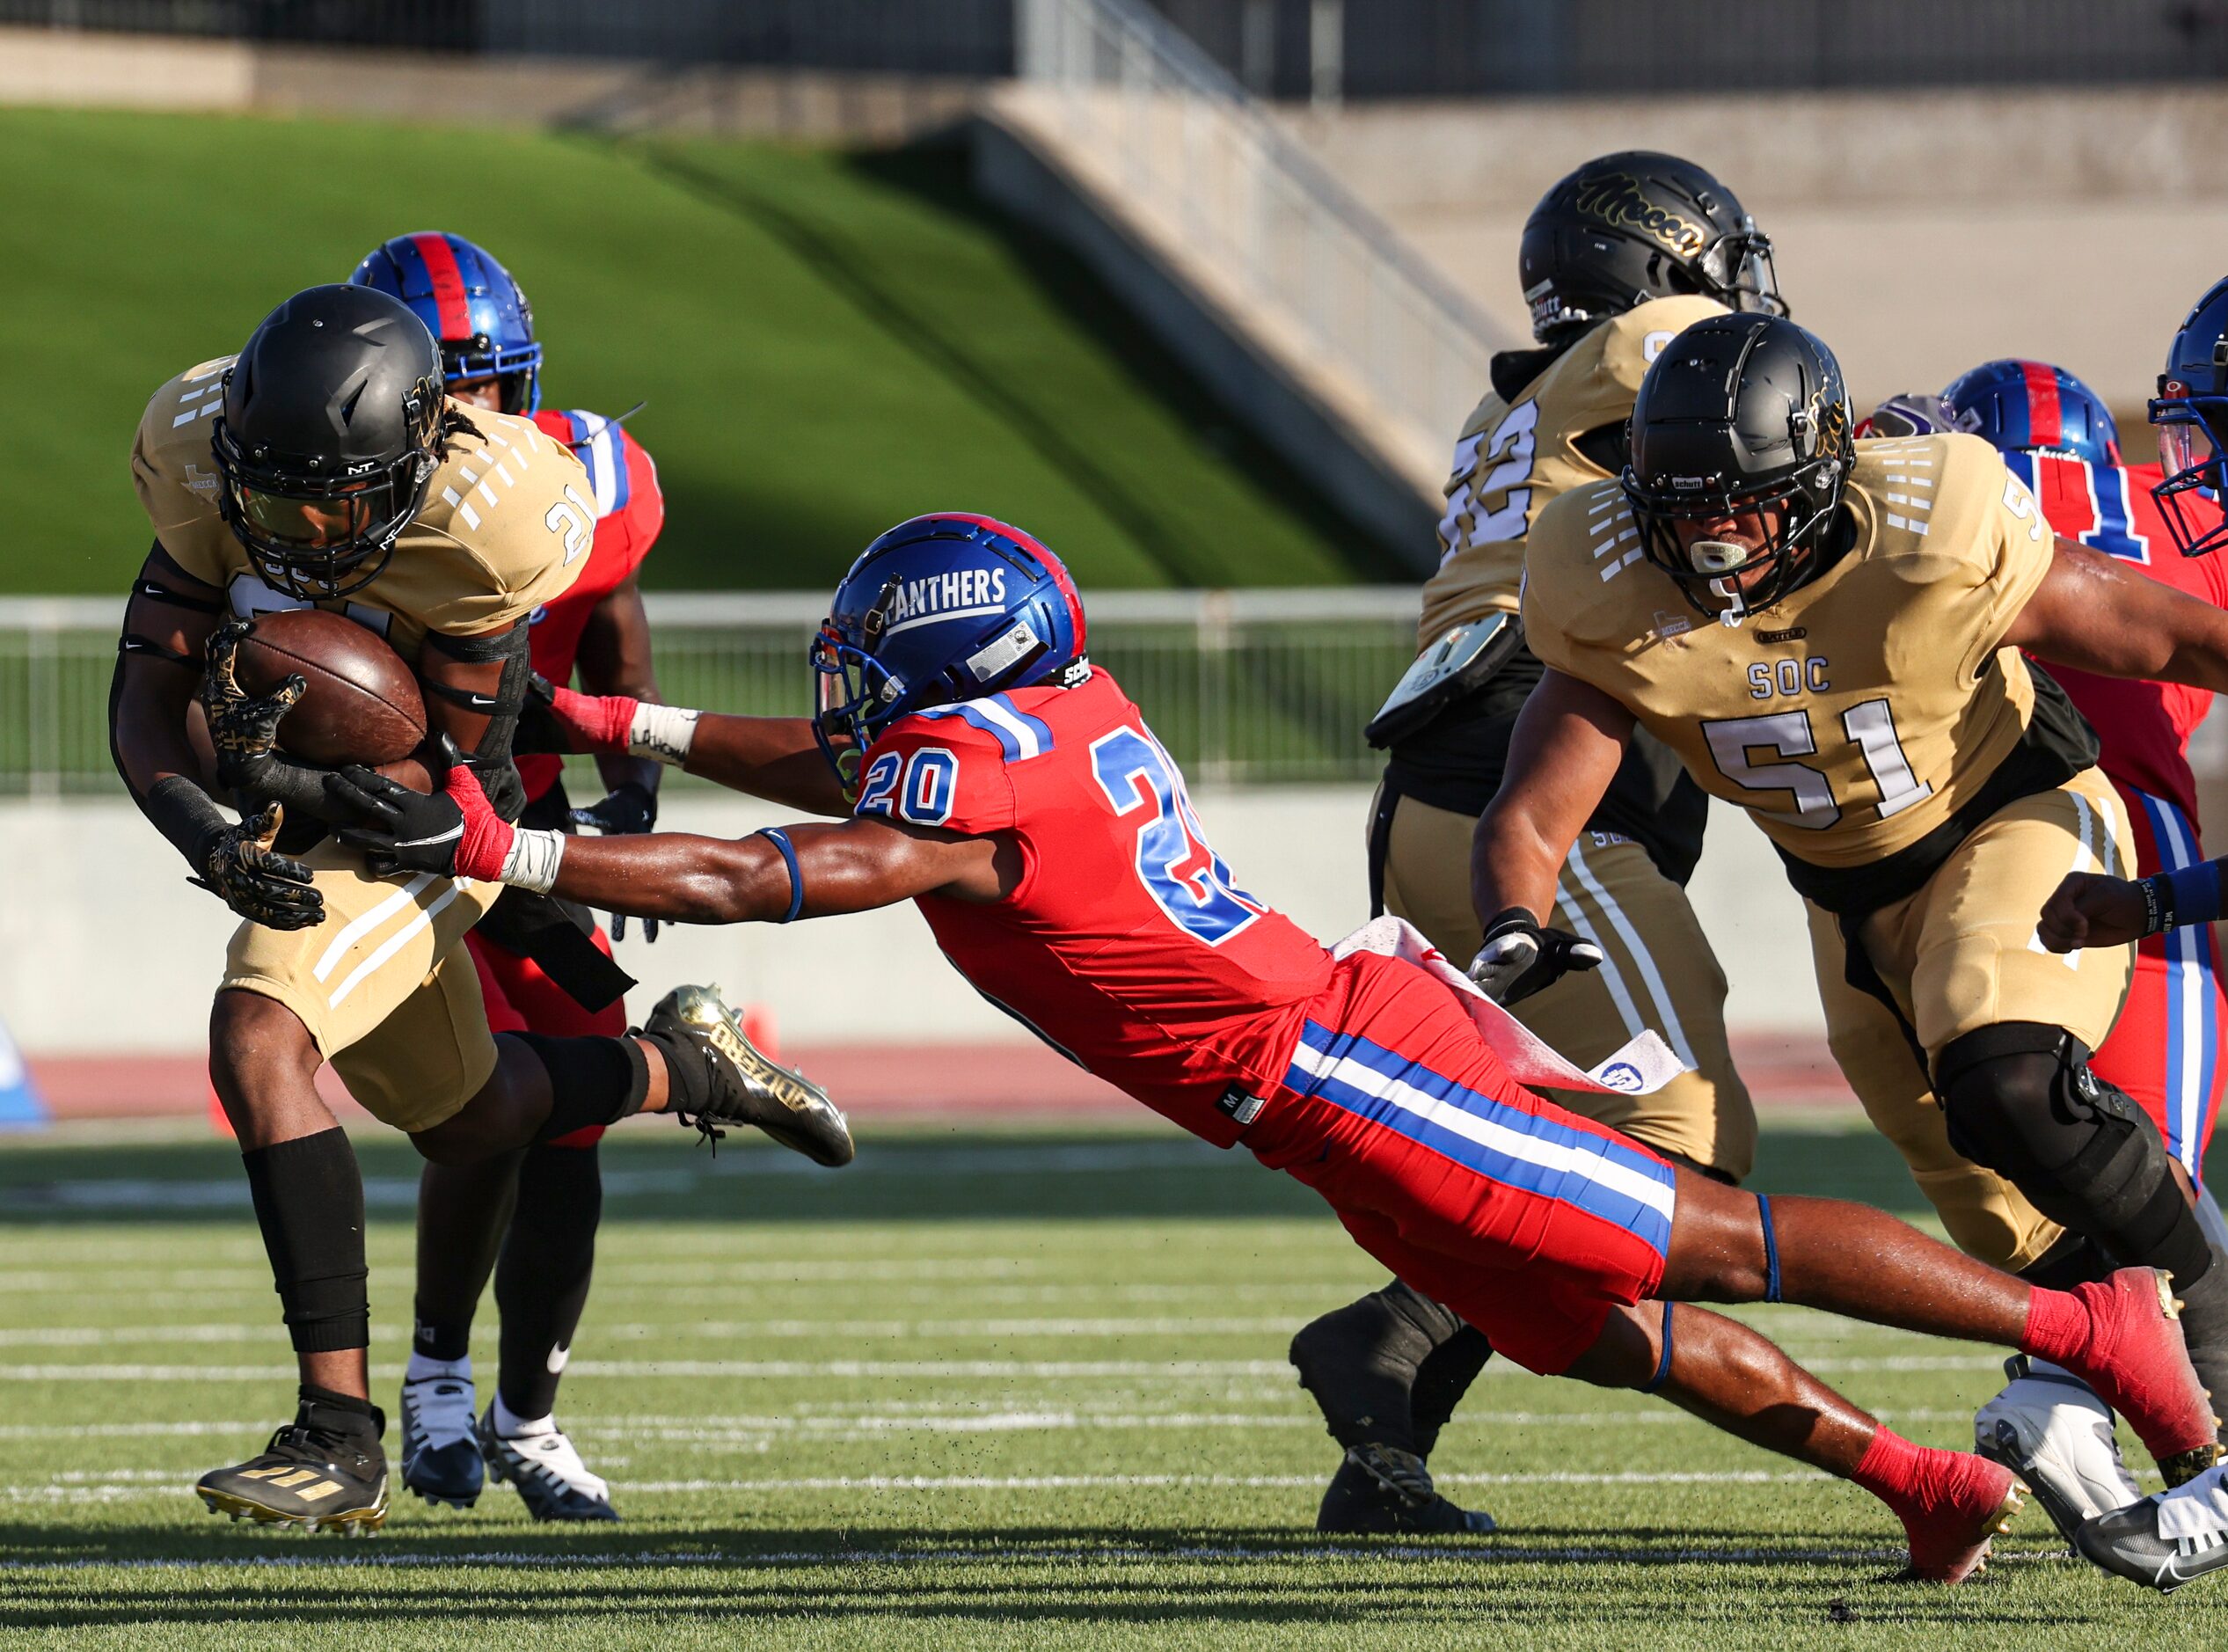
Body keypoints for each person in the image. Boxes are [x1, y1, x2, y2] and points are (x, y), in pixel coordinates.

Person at [329, 510, 2220, 1585]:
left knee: (1696, 1240)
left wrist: (518, 842)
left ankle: (2086, 1328)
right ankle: (1921, 1482)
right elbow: (840, 773)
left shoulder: (975, 787)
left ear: (950, 669)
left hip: (1345, 1062)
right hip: (1321, 1084)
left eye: (877, 657)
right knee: (1595, 1334)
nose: (853, 688)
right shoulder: (1042, 716)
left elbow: (784, 869)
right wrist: (607, 704)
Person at [107, 282, 851, 1532]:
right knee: (471, 1119)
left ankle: (338, 1433)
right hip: (316, 807)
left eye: (326, 497)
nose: (291, 528)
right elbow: (145, 688)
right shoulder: (194, 450)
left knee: (259, 1034)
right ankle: (687, 1067)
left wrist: (263, 773)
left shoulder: (492, 520)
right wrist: (204, 822)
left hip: (438, 822)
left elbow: (427, 778)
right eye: (268, 489)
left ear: (413, 458)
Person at [1491, 311, 2228, 1533]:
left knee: (2005, 1073)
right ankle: (2128, 1378)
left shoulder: (1927, 528)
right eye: (1680, 502)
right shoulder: (1606, 578)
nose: (1707, 536)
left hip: (2012, 814)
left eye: (1741, 501)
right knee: (2011, 1225)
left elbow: (2153, 628)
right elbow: (1529, 809)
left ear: (1823, 471)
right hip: (1845, 899)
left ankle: (2209, 1382)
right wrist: (1512, 923)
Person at [1294, 150, 1786, 1535]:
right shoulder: (1655, 343)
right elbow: (1788, 445)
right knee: (1693, 1140)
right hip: (1534, 792)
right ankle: (1391, 1329)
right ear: (1667, 263)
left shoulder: (1507, 400)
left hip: (1433, 800)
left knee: (1541, 1138)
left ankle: (1386, 1441)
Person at [1841, 357, 2228, 1538]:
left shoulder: (1927, 509)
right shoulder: (2182, 529)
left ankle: (2064, 1373)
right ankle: (2072, 1392)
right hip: (2124, 850)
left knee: (2043, 1155)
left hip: (1934, 858)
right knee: (2155, 1164)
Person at [348, 232, 672, 1522]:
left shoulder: (585, 479)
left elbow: (614, 606)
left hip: (520, 823)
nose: (472, 420)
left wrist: (635, 776)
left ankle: (525, 1417)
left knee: (572, 1122)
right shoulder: (324, 490)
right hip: (390, 822)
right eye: (445, 391)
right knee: (479, 1105)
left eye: (490, 387)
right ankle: (431, 1378)